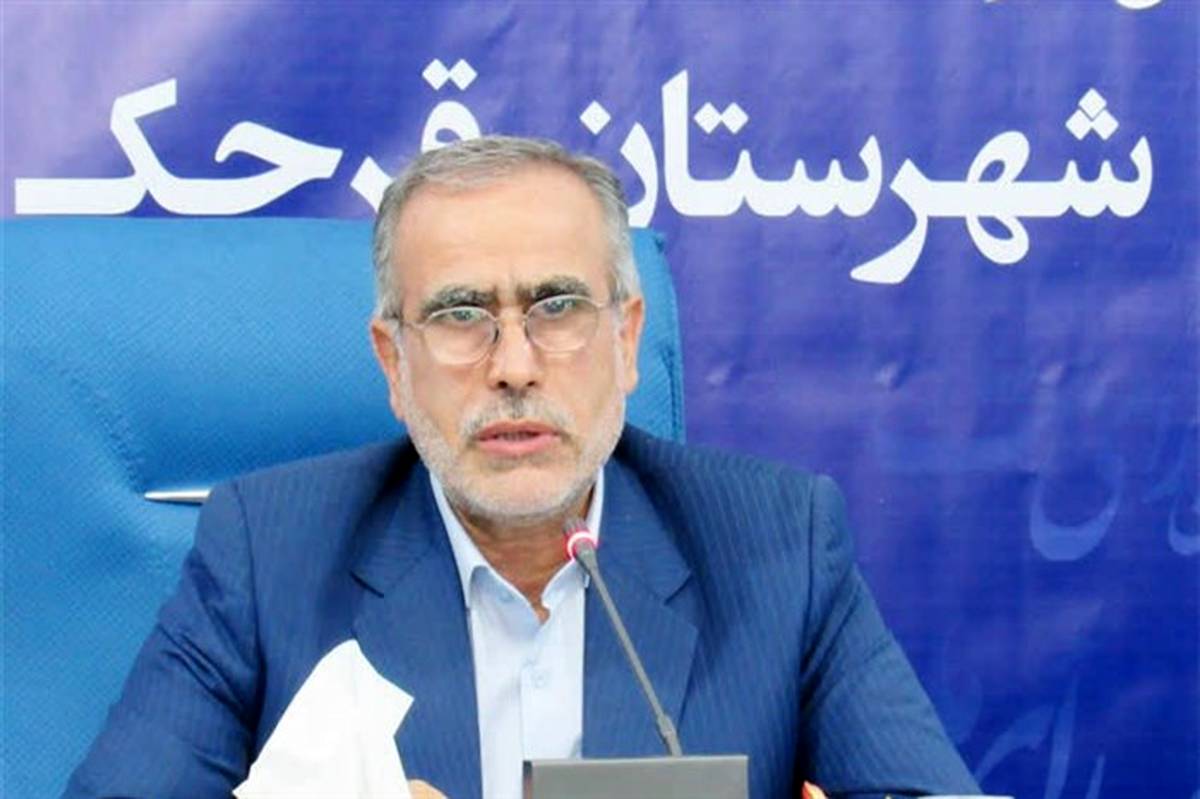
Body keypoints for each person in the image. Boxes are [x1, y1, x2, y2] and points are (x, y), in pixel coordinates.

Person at [64, 136, 979, 799]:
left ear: (627, 340)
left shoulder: (780, 546)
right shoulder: (268, 553)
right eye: (460, 315)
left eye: (558, 307)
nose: (513, 364)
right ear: (393, 363)